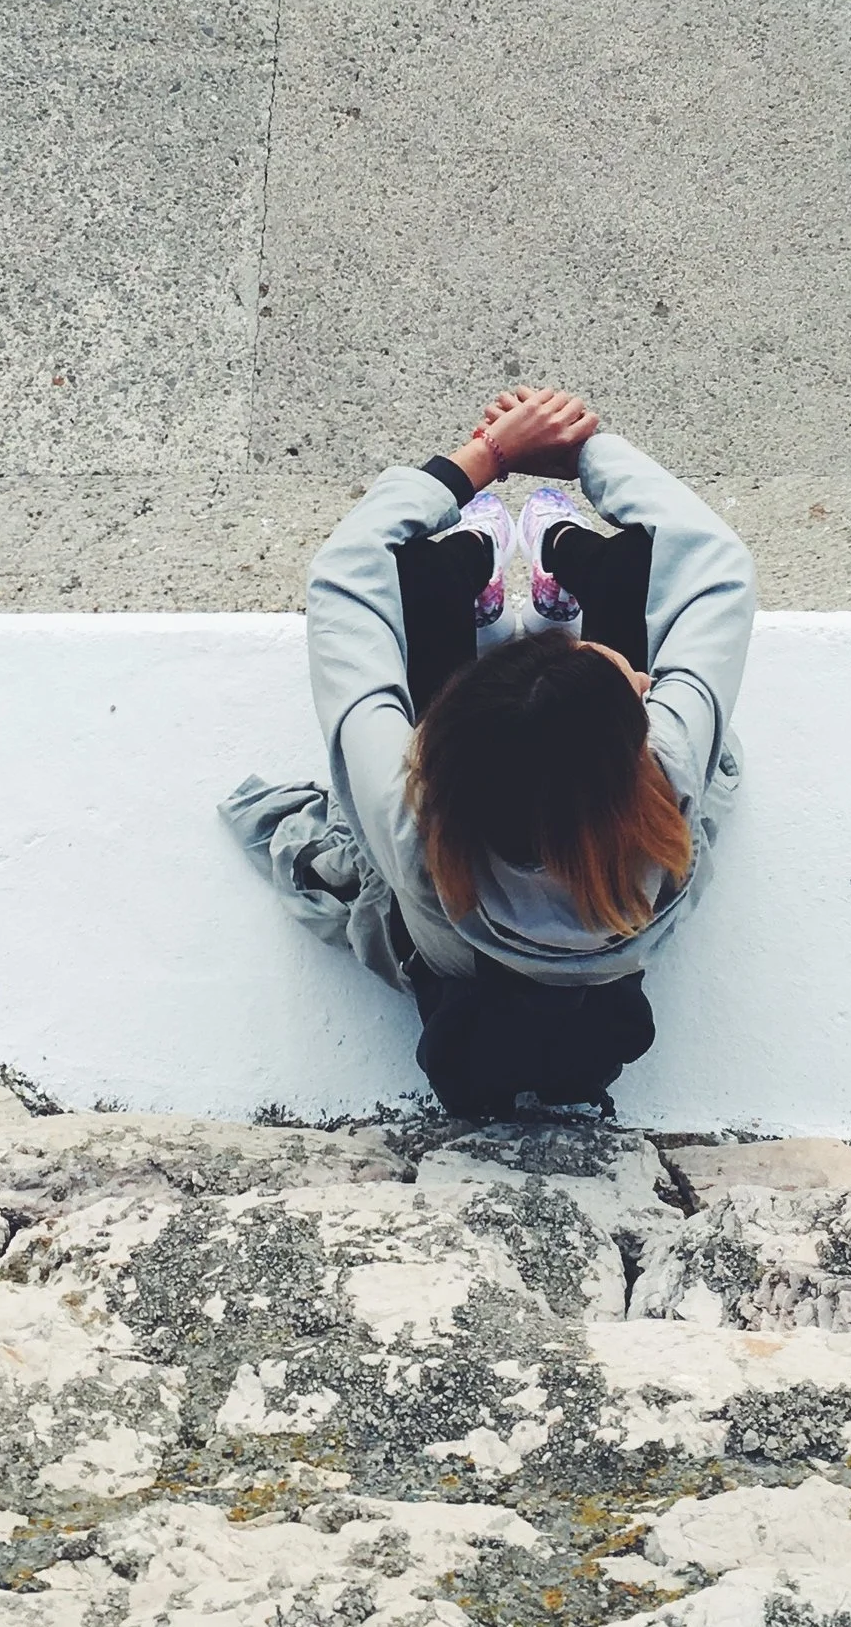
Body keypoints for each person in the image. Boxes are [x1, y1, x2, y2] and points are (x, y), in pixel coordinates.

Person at [222, 387, 755, 1118]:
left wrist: (490, 454)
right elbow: (716, 568)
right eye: (633, 685)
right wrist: (582, 450)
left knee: (407, 576)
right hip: (603, 950)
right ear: (635, 753)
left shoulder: (411, 817)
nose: (640, 675)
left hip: (463, 956)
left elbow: (347, 575)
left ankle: (471, 568)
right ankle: (563, 559)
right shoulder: (673, 771)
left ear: (434, 745)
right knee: (641, 564)